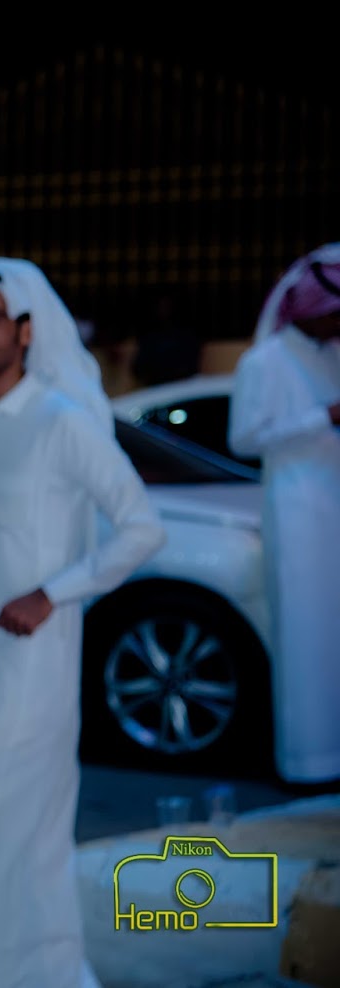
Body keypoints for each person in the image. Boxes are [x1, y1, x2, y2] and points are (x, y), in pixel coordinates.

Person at [0, 257, 165, 988]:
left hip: (35, 664)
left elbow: (143, 528)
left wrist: (53, 592)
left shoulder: (62, 421)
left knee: (7, 829)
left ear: (24, 330)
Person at [228, 243, 340, 783]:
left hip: (332, 509)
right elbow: (244, 439)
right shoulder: (264, 361)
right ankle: (305, 763)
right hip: (295, 515)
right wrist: (323, 417)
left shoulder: (332, 356)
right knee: (303, 637)